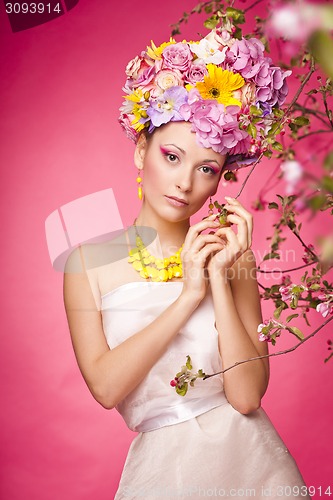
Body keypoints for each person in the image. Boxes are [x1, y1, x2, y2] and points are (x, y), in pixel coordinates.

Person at [63, 24, 310, 499]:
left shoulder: (232, 259)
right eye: (172, 156)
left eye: (206, 169)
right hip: (163, 474)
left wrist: (218, 279)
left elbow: (245, 397)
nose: (184, 183)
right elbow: (107, 388)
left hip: (254, 467)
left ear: (219, 181)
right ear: (141, 151)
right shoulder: (86, 264)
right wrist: (187, 296)